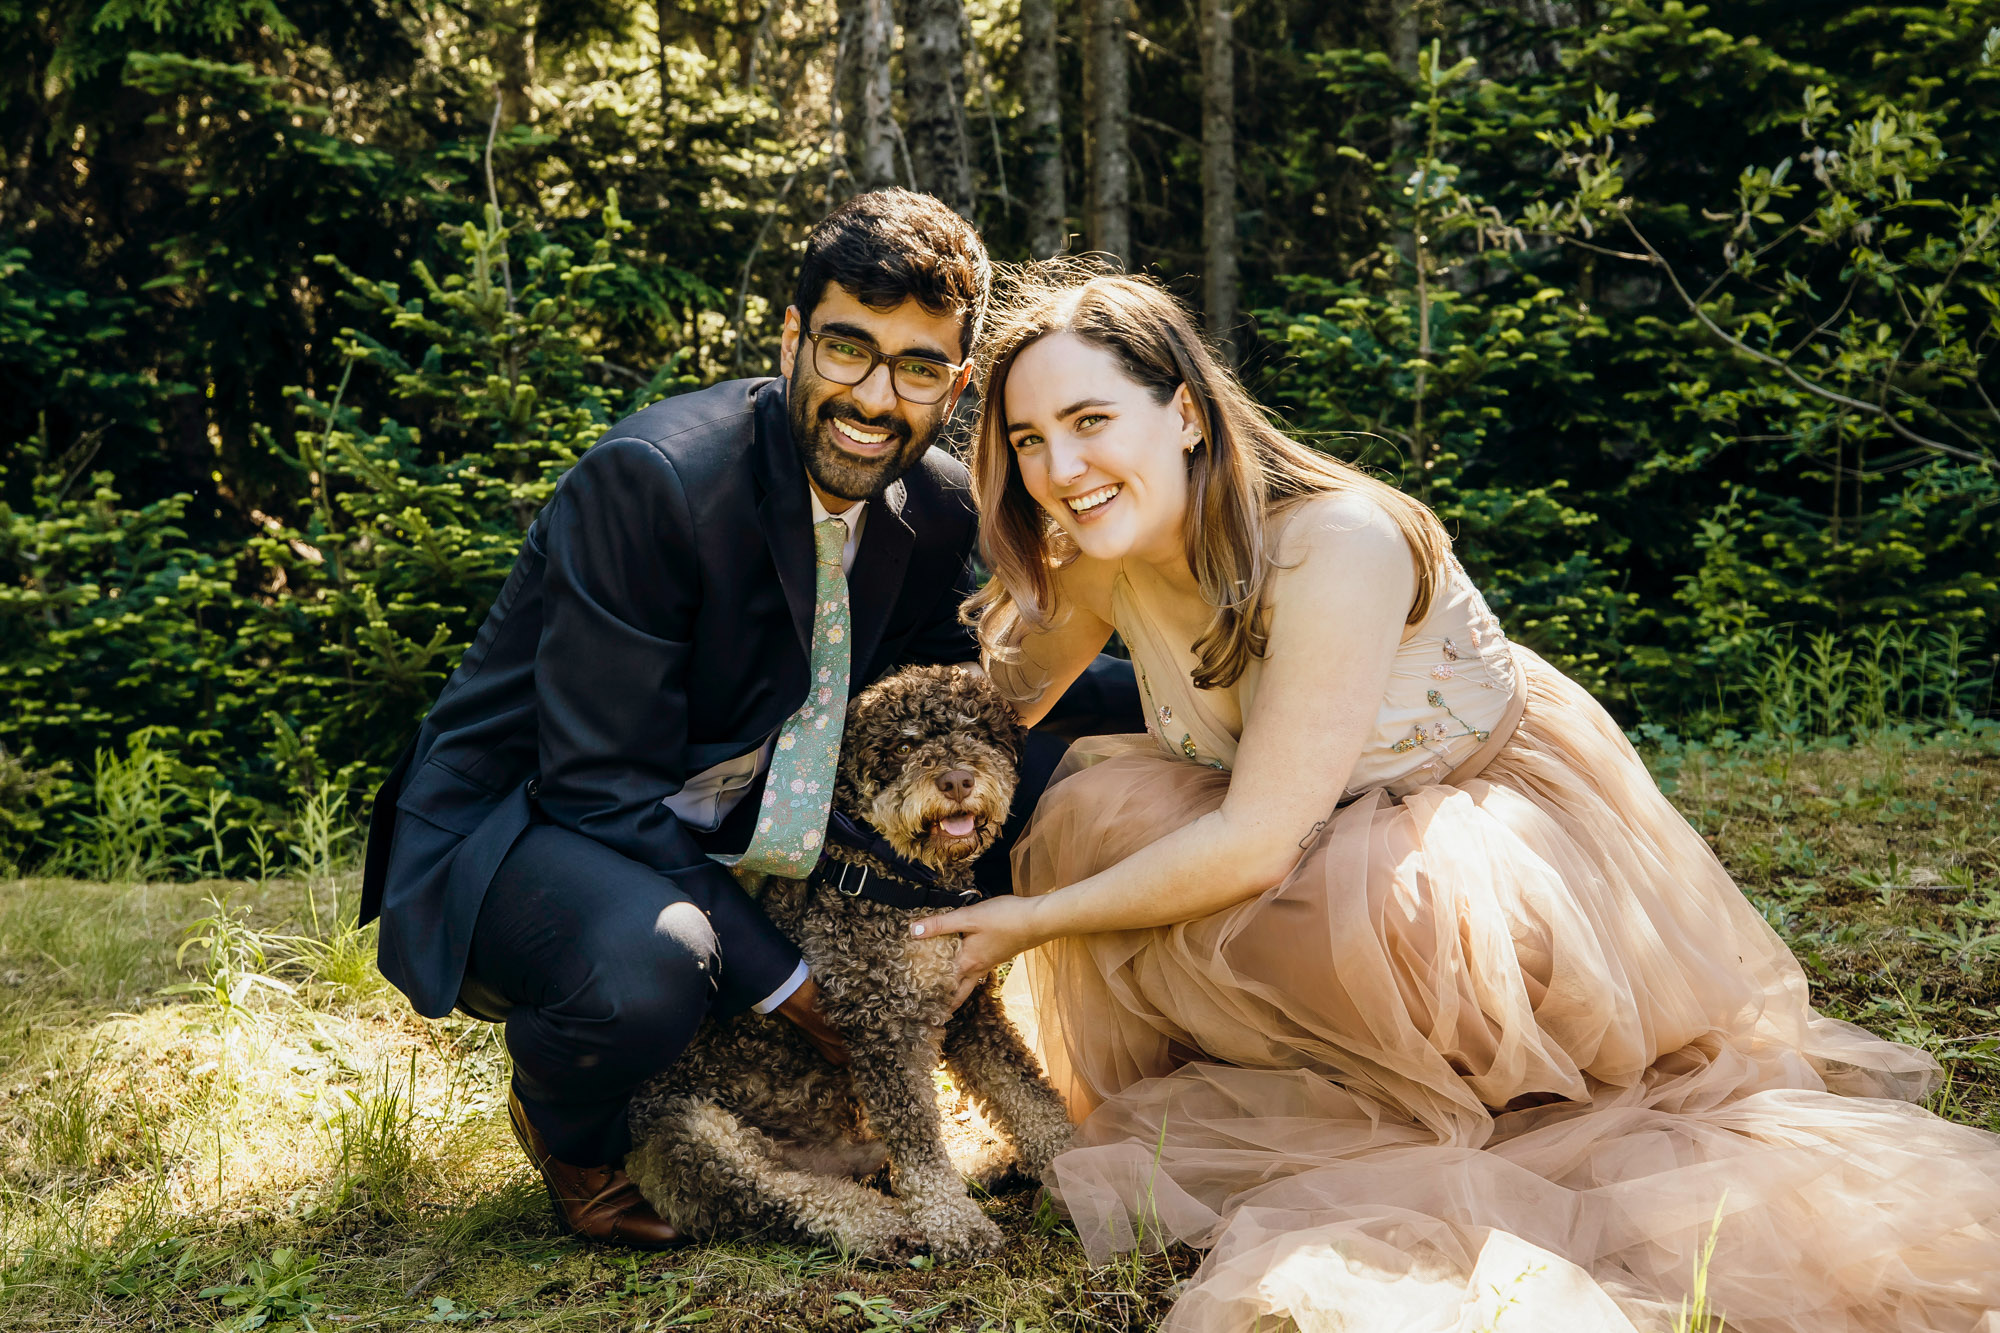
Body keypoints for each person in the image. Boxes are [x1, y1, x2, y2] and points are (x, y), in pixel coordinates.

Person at [914, 266, 2000, 1331]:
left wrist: (1022, 922)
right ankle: (1336, 1080)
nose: (1059, 466)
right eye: (1026, 439)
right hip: (1298, 843)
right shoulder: (1097, 558)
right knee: (1102, 820)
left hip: (1469, 852)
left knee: (1317, 905)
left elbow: (1251, 843)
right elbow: (974, 715)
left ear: (1186, 415)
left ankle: (1454, 1093)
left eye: (1090, 419)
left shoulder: (1335, 541)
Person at [358, 193, 1137, 1248]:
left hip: (752, 821)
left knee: (1043, 790)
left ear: (954, 386)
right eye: (846, 349)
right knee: (658, 965)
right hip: (536, 820)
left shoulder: (937, 503)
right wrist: (783, 981)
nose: (871, 397)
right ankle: (574, 1132)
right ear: (791, 338)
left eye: (914, 368)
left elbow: (967, 695)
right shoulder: (655, 480)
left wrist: (1193, 688)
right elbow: (597, 784)